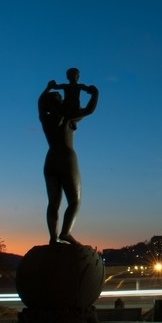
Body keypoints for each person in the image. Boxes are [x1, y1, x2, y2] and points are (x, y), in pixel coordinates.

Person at [39, 77, 99, 246]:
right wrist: (95, 94)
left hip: (50, 159)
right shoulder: (68, 118)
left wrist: (48, 88)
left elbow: (40, 102)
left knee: (53, 202)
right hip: (66, 159)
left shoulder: (45, 118)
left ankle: (53, 237)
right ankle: (65, 233)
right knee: (74, 200)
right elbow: (89, 110)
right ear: (59, 103)